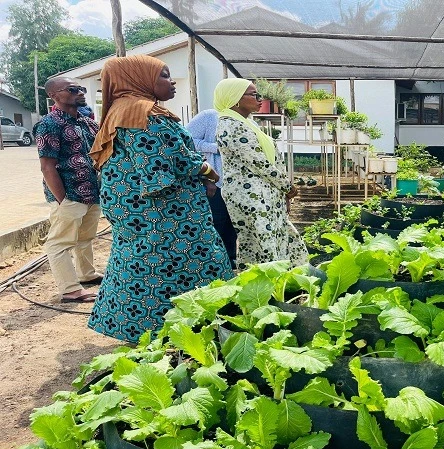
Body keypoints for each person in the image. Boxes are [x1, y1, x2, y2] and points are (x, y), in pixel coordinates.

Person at [87, 55, 233, 342]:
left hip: (137, 211)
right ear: (138, 79)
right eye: (164, 75)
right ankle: (181, 330)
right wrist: (207, 171)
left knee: (138, 263)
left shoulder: (121, 111)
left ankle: (140, 331)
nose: (172, 81)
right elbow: (165, 165)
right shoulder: (144, 115)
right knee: (188, 262)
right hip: (163, 214)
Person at [213, 78, 308, 269]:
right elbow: (260, 163)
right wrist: (287, 187)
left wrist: (282, 191)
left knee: (271, 240)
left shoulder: (246, 123)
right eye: (253, 94)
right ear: (235, 99)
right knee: (261, 244)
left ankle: (279, 284)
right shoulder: (232, 126)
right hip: (250, 197)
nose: (260, 99)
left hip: (263, 194)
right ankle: (267, 289)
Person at [35, 77, 102, 303]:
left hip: (91, 192)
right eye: (73, 89)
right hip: (69, 194)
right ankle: (70, 289)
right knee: (59, 242)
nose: (80, 93)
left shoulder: (86, 122)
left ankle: (86, 274)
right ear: (55, 95)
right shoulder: (49, 124)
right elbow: (47, 166)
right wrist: (63, 200)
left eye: (81, 88)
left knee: (85, 236)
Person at [186, 109, 237, 266]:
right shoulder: (209, 117)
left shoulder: (247, 122)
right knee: (216, 224)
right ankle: (213, 264)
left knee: (232, 227)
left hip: (236, 187)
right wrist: (216, 147)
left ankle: (229, 261)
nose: (258, 100)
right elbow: (186, 141)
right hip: (215, 184)